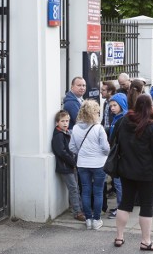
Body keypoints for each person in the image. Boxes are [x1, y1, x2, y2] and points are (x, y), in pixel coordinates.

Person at [113, 95, 153, 251]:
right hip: (147, 174)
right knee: (146, 206)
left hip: (126, 170)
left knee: (125, 203)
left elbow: (115, 142)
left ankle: (119, 237)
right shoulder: (152, 126)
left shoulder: (123, 122)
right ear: (150, 107)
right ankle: (146, 241)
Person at [69, 100, 109, 230]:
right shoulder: (98, 128)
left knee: (85, 191)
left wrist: (82, 153)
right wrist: (101, 153)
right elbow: (106, 148)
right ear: (94, 113)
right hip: (98, 164)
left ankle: (88, 220)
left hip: (82, 164)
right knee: (98, 192)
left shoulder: (75, 128)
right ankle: (96, 220)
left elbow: (72, 147)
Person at [50, 110, 85, 222]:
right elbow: (61, 152)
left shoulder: (66, 133)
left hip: (70, 165)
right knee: (73, 188)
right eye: (62, 121)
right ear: (57, 123)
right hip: (66, 166)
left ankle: (78, 208)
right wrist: (73, 162)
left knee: (76, 187)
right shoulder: (58, 135)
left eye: (67, 121)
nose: (65, 123)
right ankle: (77, 212)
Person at [106, 93, 128, 219]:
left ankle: (121, 207)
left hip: (120, 156)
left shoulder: (123, 119)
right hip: (116, 153)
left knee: (119, 183)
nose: (112, 108)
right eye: (111, 106)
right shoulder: (116, 118)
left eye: (115, 105)